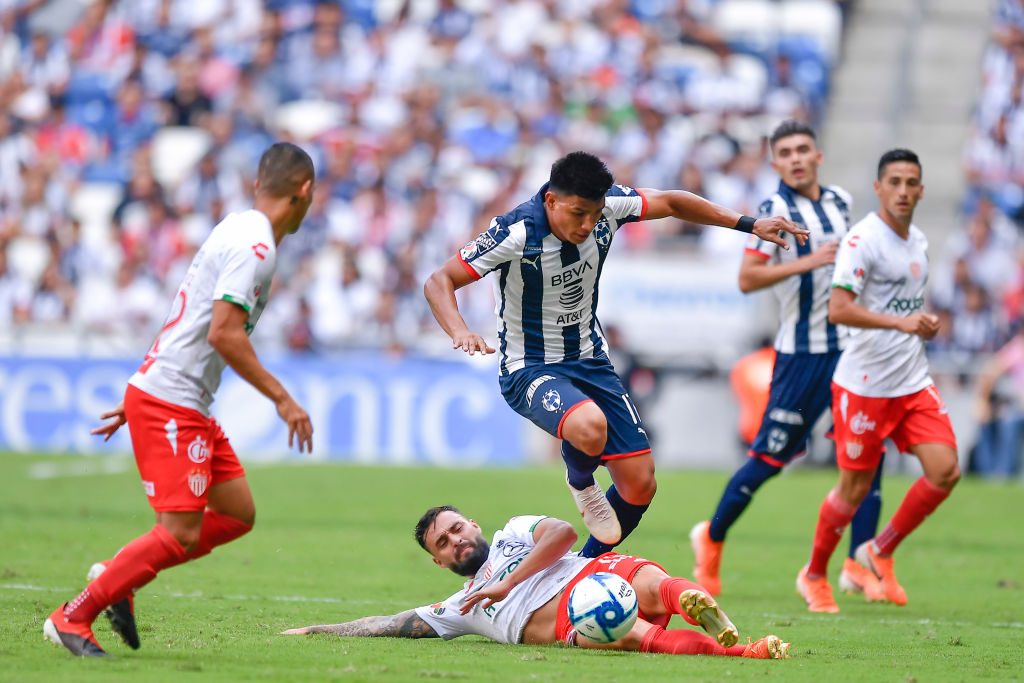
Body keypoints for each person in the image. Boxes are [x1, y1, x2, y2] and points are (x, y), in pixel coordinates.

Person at [423, 151, 807, 558]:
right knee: (589, 425)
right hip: (529, 367)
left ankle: (581, 571)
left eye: (595, 213)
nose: (588, 225)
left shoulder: (610, 206)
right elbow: (439, 280)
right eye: (578, 213)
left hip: (590, 360)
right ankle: (580, 480)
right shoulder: (515, 232)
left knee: (641, 484)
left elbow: (674, 202)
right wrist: (460, 330)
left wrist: (748, 224)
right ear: (551, 201)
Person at [43, 143, 317, 657]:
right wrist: (283, 399)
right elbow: (223, 334)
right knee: (179, 532)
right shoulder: (256, 249)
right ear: (305, 191)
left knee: (236, 512)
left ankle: (118, 576)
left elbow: (184, 312)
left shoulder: (235, 226)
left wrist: (143, 387)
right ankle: (72, 615)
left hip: (174, 394)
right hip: (173, 399)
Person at [690, 121, 886, 601]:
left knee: (866, 455)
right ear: (775, 162)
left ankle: (859, 563)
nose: (796, 158)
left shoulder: (840, 201)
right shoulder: (774, 210)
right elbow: (747, 278)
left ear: (818, 155)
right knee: (769, 459)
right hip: (800, 358)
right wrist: (810, 261)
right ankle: (711, 538)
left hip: (847, 351)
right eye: (786, 152)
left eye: (803, 149)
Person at [282, 506, 791, 659]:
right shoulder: (460, 604)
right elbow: (391, 624)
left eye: (457, 528)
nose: (456, 540)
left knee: (648, 580)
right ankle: (740, 652)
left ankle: (691, 601)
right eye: (443, 543)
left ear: (474, 525)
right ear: (439, 562)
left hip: (586, 571)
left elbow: (566, 533)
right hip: (575, 614)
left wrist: (506, 586)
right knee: (626, 626)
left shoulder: (512, 533)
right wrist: (320, 630)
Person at [796, 149, 960, 613]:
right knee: (853, 490)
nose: (904, 191)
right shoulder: (862, 240)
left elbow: (905, 308)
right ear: (879, 187)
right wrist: (903, 324)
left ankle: (877, 551)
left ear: (922, 189)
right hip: (864, 386)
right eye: (895, 182)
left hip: (911, 380)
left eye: (912, 182)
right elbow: (839, 309)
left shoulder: (919, 241)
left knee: (945, 470)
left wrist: (917, 324)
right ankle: (813, 575)